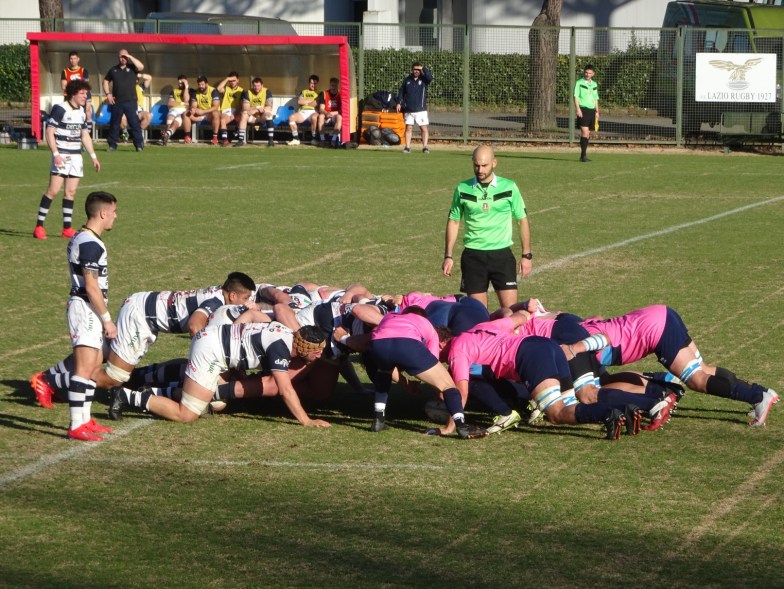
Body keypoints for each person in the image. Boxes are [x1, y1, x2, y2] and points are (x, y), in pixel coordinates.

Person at [570, 304, 779, 427]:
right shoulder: (575, 326)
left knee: (697, 380)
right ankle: (760, 392)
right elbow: (595, 319)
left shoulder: (574, 347)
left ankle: (757, 396)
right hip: (661, 314)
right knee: (703, 369)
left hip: (656, 330)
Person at [114, 322, 331, 427]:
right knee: (187, 414)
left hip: (216, 344)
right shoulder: (280, 348)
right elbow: (285, 389)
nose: (319, 356)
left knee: (217, 402)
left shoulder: (285, 333)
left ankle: (154, 390)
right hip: (212, 352)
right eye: (316, 351)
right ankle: (127, 396)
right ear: (303, 347)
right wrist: (306, 420)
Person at [368, 308, 487, 439]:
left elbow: (380, 333)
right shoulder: (426, 324)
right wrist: (439, 390)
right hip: (407, 344)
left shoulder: (390, 316)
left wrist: (406, 383)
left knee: (384, 372)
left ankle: (378, 419)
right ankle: (461, 426)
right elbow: (433, 359)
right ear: (424, 317)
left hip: (378, 344)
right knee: (448, 385)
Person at [442, 145, 532, 309]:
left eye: (484, 165)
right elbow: (454, 221)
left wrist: (526, 255)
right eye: (476, 165)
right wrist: (448, 255)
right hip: (473, 257)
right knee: (478, 315)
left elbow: (522, 220)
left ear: (494, 163)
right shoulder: (462, 188)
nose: (480, 170)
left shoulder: (509, 187)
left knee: (511, 312)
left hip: (502, 256)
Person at [62, 191, 118, 441]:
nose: (115, 216)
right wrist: (107, 319)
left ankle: (85, 420)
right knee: (84, 368)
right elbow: (91, 286)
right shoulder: (90, 244)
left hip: (89, 307)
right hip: (85, 308)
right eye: (113, 212)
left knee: (94, 365)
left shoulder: (85, 237)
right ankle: (76, 424)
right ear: (103, 213)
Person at [33, 79, 101, 240]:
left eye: (86, 93)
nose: (85, 96)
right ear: (73, 94)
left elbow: (85, 135)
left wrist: (93, 157)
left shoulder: (82, 111)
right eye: (82, 93)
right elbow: (49, 132)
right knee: (53, 191)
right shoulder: (60, 109)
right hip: (62, 155)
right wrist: (56, 154)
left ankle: (67, 228)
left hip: (76, 156)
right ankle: (39, 226)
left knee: (71, 192)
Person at [102, 48, 145, 152]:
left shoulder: (132, 68)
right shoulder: (113, 70)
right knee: (114, 123)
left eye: (125, 57)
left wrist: (130, 56)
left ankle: (139, 145)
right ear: (118, 57)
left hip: (131, 101)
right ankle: (112, 145)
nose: (123, 59)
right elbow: (105, 81)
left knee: (134, 123)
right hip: (117, 102)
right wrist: (108, 94)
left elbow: (141, 66)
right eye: (121, 57)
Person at [396, 61, 433, 153]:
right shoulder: (407, 80)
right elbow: (401, 92)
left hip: (421, 110)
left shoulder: (424, 79)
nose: (416, 71)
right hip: (409, 109)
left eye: (418, 69)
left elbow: (430, 77)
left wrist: (423, 68)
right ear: (412, 70)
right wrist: (399, 103)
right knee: (409, 128)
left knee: (423, 128)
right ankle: (407, 147)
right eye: (415, 69)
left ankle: (425, 147)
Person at [236, 77, 275, 147]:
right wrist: (257, 108)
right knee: (244, 114)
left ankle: (271, 140)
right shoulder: (247, 92)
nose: (256, 88)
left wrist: (257, 109)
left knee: (269, 114)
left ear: (262, 85)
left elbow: (269, 107)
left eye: (258, 86)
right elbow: (245, 108)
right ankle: (240, 140)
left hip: (262, 117)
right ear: (252, 86)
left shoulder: (267, 91)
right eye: (254, 86)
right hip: (252, 118)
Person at [182, 75, 220, 144]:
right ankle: (187, 137)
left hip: (210, 114)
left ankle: (215, 138)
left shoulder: (213, 91)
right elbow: (194, 105)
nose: (201, 86)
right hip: (199, 114)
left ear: (206, 84)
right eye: (199, 84)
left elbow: (216, 107)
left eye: (202, 84)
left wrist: (203, 111)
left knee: (216, 113)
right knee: (185, 114)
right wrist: (193, 109)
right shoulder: (195, 92)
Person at [574, 64, 599, 162]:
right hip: (583, 109)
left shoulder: (594, 84)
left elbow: (595, 98)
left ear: (593, 74)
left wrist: (597, 111)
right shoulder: (579, 83)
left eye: (589, 73)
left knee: (588, 133)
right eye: (586, 72)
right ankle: (583, 156)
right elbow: (576, 96)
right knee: (584, 132)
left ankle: (583, 155)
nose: (587, 74)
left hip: (592, 111)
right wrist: (578, 109)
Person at [60, 50, 92, 123]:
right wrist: (74, 90)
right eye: (71, 59)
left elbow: (85, 85)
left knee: (86, 110)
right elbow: (63, 86)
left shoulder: (83, 70)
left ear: (78, 59)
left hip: (82, 94)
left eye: (74, 58)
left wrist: (75, 88)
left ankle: (88, 126)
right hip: (70, 95)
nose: (73, 60)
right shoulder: (65, 71)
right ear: (69, 59)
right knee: (69, 111)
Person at [287, 74, 319, 146]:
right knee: (291, 118)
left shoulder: (319, 93)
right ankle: (296, 139)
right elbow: (299, 101)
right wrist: (311, 102)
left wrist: (306, 102)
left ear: (317, 84)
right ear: (309, 83)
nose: (313, 85)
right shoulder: (303, 92)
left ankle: (314, 139)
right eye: (311, 83)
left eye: (315, 83)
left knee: (314, 118)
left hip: (313, 112)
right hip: (303, 112)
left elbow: (316, 103)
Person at [120, 73, 152, 139]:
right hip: (127, 110)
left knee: (148, 116)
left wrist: (138, 75)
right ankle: (125, 134)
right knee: (120, 116)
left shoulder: (140, 87)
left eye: (136, 79)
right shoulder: (123, 88)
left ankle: (137, 133)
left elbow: (149, 78)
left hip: (138, 111)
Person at [216, 71, 244, 147]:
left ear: (238, 80)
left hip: (237, 111)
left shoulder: (242, 91)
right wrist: (227, 79)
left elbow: (242, 105)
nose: (232, 82)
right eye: (230, 81)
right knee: (222, 119)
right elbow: (218, 88)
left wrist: (234, 114)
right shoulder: (226, 89)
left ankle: (234, 134)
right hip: (226, 111)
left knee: (242, 118)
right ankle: (225, 140)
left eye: (234, 80)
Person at [161, 74, 190, 145]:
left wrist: (186, 87)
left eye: (182, 83)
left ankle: (166, 133)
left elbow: (186, 100)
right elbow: (170, 103)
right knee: (174, 119)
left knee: (176, 120)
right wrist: (182, 103)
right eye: (179, 83)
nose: (180, 84)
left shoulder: (189, 91)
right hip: (174, 110)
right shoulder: (174, 91)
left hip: (183, 112)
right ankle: (167, 134)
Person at [315, 77, 342, 147]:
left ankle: (333, 140)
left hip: (335, 115)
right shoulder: (324, 94)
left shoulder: (341, 94)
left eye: (335, 86)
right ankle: (322, 140)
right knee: (321, 116)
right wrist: (326, 113)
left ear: (338, 86)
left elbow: (342, 110)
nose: (333, 87)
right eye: (332, 85)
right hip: (326, 115)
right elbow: (321, 109)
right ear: (330, 85)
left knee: (339, 117)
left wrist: (334, 113)